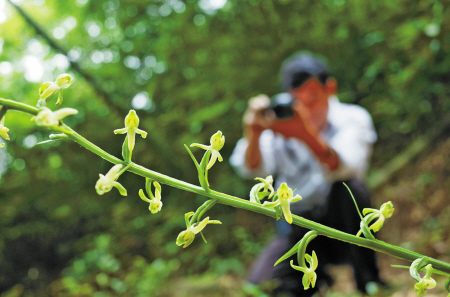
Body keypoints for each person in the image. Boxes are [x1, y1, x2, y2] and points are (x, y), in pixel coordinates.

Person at [230, 52, 385, 296]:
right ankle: (312, 281)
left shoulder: (352, 118)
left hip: (344, 223)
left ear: (330, 88)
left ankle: (369, 280)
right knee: (261, 285)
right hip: (297, 225)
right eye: (297, 99)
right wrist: (254, 132)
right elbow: (249, 168)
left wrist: (304, 133)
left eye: (313, 96)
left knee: (349, 189)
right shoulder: (277, 124)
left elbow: (347, 168)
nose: (306, 106)